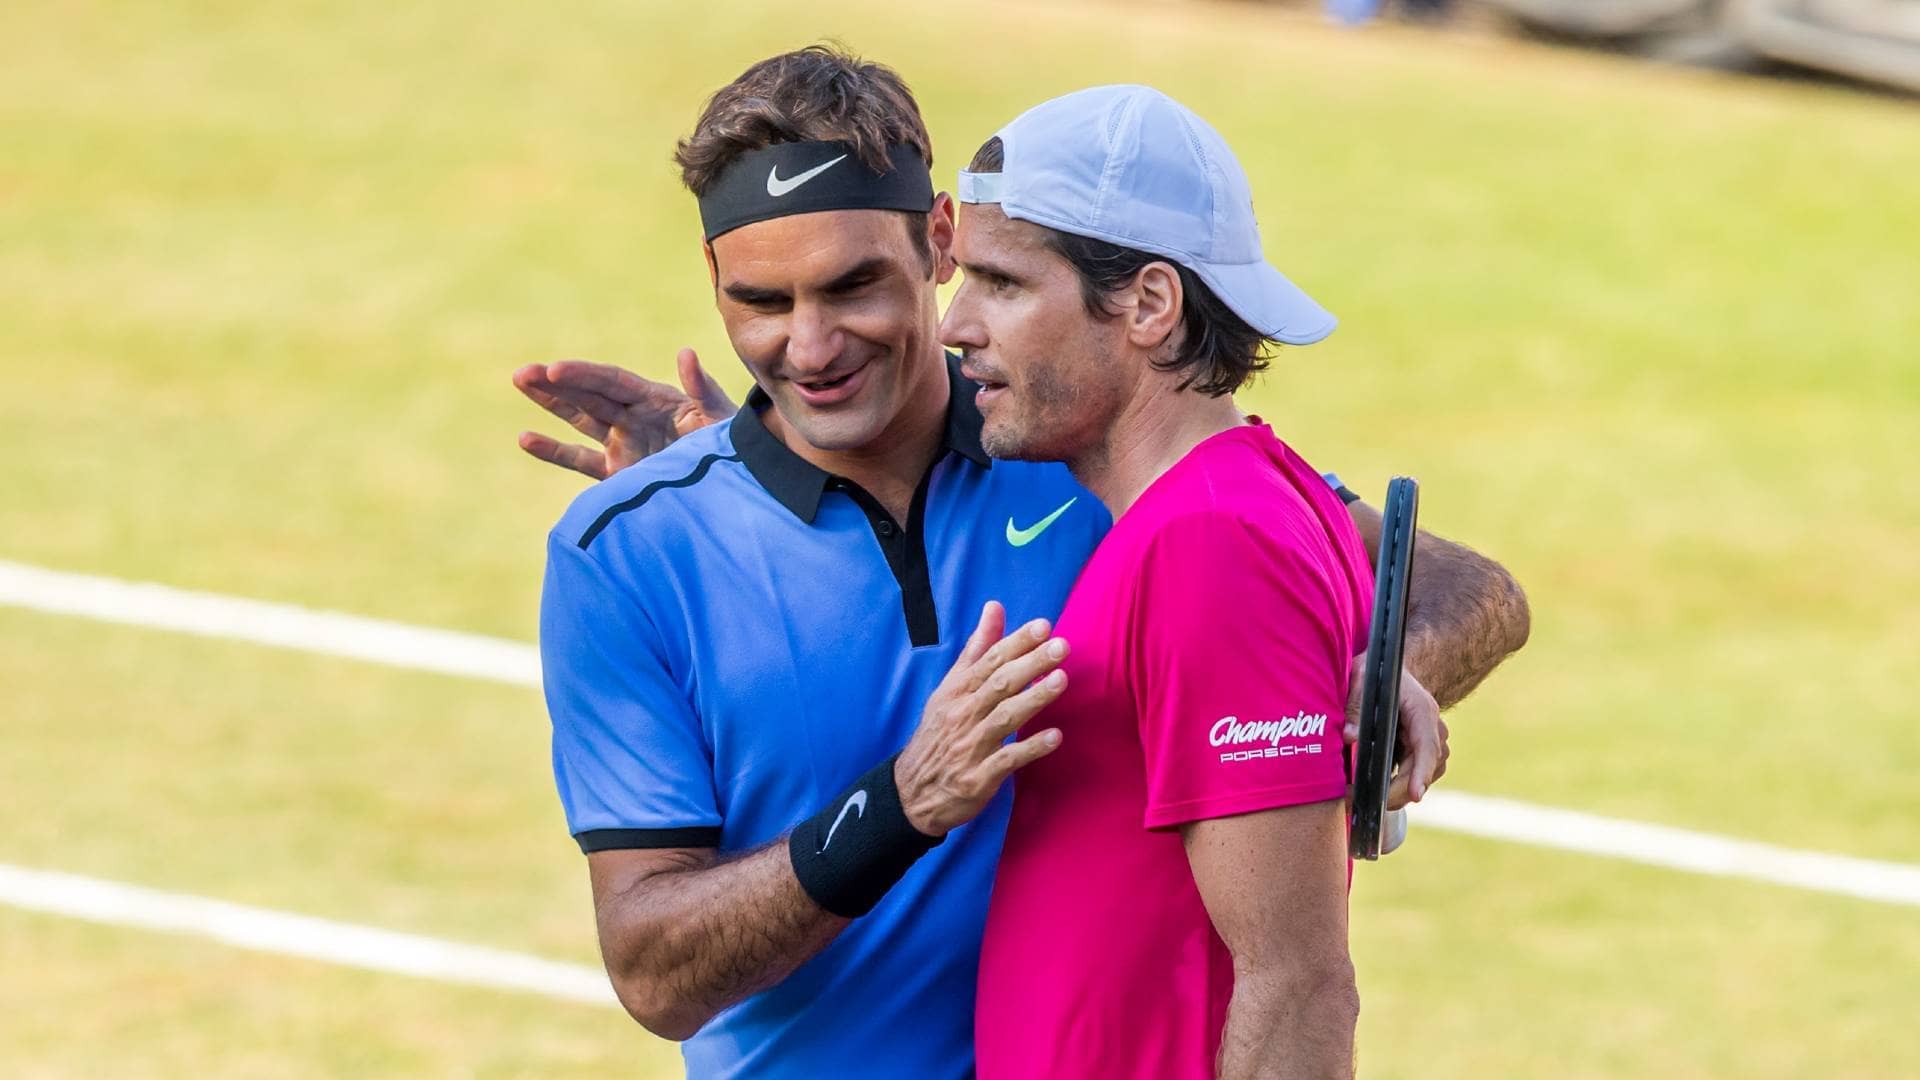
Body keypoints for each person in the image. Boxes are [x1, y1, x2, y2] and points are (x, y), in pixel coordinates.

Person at [528, 47, 1528, 1080]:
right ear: (713, 281)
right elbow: (655, 977)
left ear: (940, 240)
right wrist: (901, 805)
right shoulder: (629, 554)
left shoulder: (1089, 447)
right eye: (764, 305)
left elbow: (1467, 588)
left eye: (854, 286)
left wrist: (1369, 670)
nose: (812, 348)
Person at [944, 85, 1369, 1078]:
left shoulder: (1213, 543)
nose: (956, 323)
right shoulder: (1238, 501)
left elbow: (1300, 981)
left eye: (1002, 283)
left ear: (1147, 304)